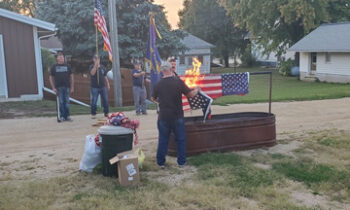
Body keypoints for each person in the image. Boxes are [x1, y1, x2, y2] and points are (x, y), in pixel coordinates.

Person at [152, 61, 199, 168]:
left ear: (162, 71)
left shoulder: (158, 84)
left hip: (163, 116)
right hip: (177, 116)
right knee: (180, 140)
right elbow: (190, 95)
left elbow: (152, 98)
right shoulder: (178, 82)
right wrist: (197, 89)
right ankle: (181, 162)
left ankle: (161, 163)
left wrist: (160, 101)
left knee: (163, 140)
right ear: (171, 69)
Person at [49, 51, 74, 122]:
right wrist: (53, 87)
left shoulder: (67, 66)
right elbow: (51, 77)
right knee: (61, 102)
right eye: (60, 57)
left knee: (67, 102)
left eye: (62, 57)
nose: (62, 58)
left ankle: (67, 116)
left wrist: (72, 87)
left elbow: (71, 76)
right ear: (57, 59)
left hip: (67, 87)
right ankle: (62, 116)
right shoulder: (54, 67)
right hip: (59, 88)